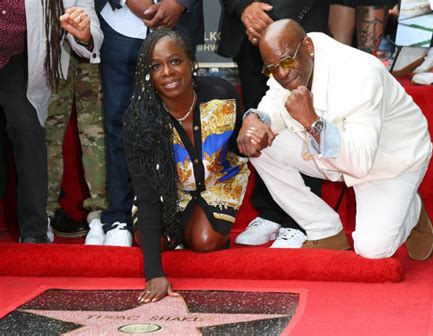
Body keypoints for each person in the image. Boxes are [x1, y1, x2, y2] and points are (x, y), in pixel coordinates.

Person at [237, 19, 433, 261]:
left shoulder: (362, 74)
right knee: (261, 144)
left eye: (286, 62)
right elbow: (274, 100)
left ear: (308, 46)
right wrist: (257, 119)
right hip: (334, 149)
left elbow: (360, 163)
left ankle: (412, 209)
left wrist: (312, 122)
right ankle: (324, 229)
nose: (282, 73)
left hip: (390, 161)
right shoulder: (291, 56)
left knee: (372, 250)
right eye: (271, 68)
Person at [123, 29, 249, 302]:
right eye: (156, 66)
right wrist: (154, 273)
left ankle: (198, 226)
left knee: (204, 242)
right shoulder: (139, 118)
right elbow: (146, 195)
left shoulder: (222, 94)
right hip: (168, 191)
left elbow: (241, 147)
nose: (167, 72)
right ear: (148, 74)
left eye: (175, 61)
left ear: (191, 62)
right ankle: (181, 229)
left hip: (218, 181)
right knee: (150, 241)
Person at [85, 0, 204, 247]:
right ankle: (119, 217)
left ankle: (178, 215)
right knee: (119, 124)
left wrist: (179, 3)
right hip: (121, 25)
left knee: (179, 120)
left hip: (178, 22)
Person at [218, 0, 330, 248]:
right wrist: (245, 8)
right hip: (248, 31)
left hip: (299, 20)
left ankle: (301, 220)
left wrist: (276, 19)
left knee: (303, 114)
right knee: (262, 122)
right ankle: (270, 211)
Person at [0, 0, 102, 243]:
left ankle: (34, 233)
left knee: (27, 127)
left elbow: (87, 17)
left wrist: (85, 33)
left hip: (17, 60)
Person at [47, 10, 106, 238]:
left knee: (96, 130)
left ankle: (102, 216)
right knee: (47, 128)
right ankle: (45, 212)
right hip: (47, 41)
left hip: (95, 31)